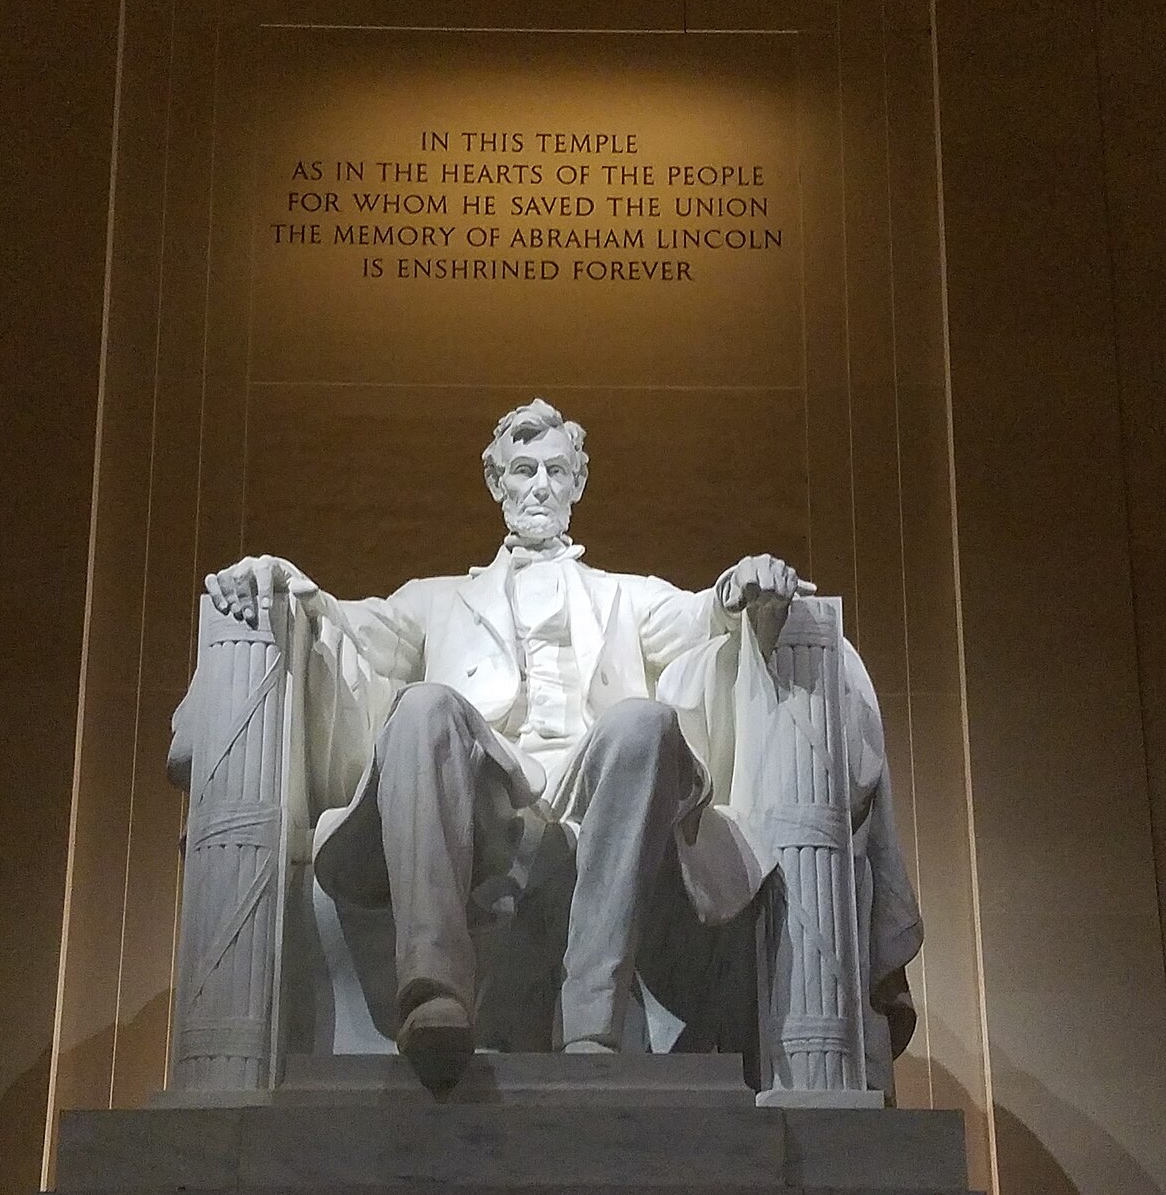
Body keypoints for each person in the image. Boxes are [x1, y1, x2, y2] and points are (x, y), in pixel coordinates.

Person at [205, 398, 919, 1086]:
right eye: (523, 469)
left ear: (578, 484)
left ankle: (593, 1018)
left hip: (599, 792)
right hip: (481, 799)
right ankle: (433, 994)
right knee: (421, 706)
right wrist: (290, 585)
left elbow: (707, 613)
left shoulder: (625, 594)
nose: (539, 484)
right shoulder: (435, 596)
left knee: (644, 720)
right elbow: (354, 627)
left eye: (555, 470)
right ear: (496, 482)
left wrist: (743, 582)